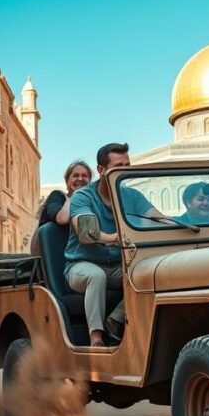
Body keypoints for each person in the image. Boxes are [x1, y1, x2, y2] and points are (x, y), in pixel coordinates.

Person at [65, 143, 163, 347]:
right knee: (96, 276)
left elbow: (156, 217)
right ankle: (96, 338)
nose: (125, 171)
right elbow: (86, 232)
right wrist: (114, 237)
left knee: (151, 273)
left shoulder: (132, 196)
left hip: (118, 265)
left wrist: (180, 225)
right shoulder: (83, 196)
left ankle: (116, 320)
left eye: (128, 165)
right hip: (81, 265)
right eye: (119, 167)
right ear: (101, 170)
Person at [29, 160, 92, 256]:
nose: (80, 179)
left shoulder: (92, 203)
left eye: (84, 176)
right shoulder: (57, 196)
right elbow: (62, 219)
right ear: (67, 181)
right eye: (75, 175)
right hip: (56, 255)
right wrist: (74, 196)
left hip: (82, 253)